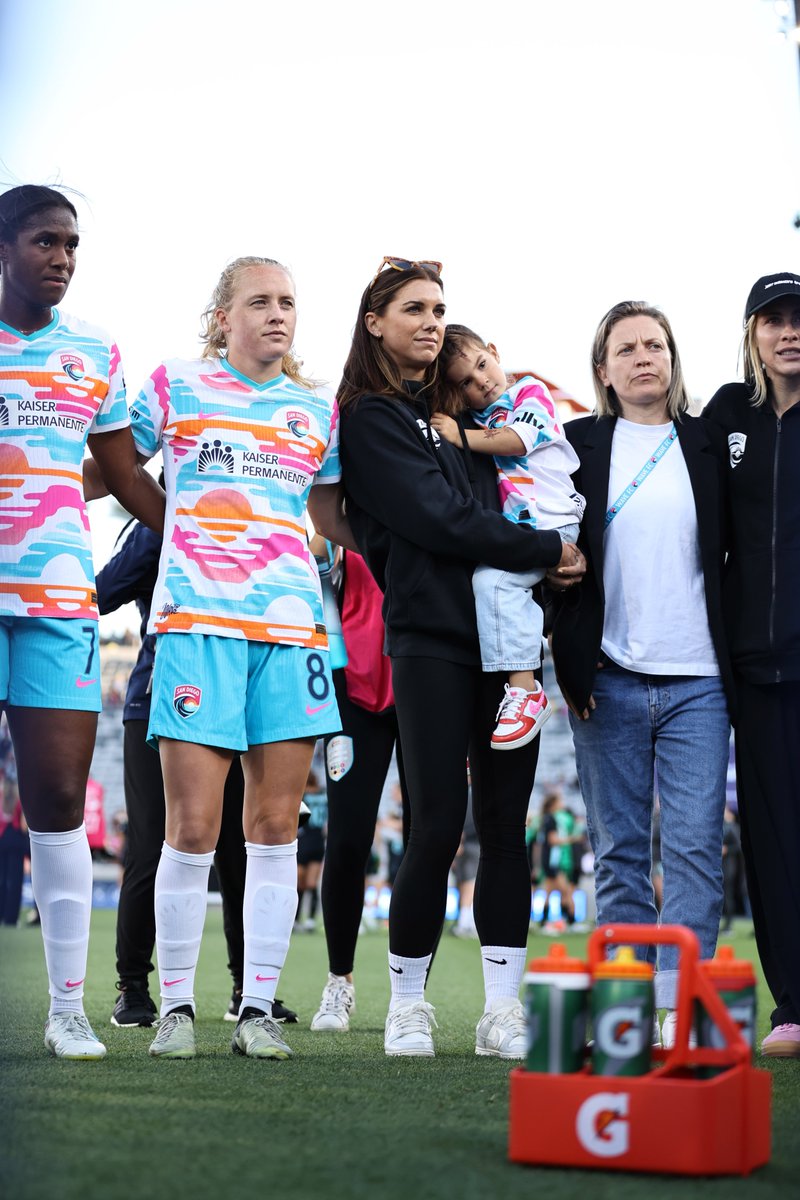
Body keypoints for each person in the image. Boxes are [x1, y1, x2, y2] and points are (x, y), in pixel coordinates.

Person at [337, 257, 585, 1057]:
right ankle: (408, 1004)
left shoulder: (476, 420)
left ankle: (501, 1011)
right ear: (375, 321)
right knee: (438, 824)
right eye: (414, 306)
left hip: (509, 649)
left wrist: (545, 547)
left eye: (440, 307)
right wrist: (548, 546)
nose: (432, 319)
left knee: (506, 830)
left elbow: (512, 494)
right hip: (431, 642)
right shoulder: (371, 419)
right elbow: (440, 521)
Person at [128, 255, 352, 1061]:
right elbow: (116, 461)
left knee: (275, 827)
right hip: (196, 625)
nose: (277, 314)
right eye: (259, 300)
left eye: (288, 301)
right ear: (222, 316)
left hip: (291, 634)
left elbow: (328, 511)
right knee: (192, 826)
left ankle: (257, 1009)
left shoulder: (316, 412)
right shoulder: (175, 384)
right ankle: (177, 1009)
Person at [0, 184, 164, 1059]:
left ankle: (69, 1011)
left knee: (59, 802)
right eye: (44, 242)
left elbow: (125, 475)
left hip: (60, 602)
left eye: (71, 245)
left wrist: (200, 530)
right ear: (4, 248)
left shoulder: (96, 352)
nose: (61, 257)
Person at [549, 299, 734, 1048]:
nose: (642, 357)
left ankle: (676, 1007)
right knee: (620, 850)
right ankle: (626, 1007)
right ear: (604, 369)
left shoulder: (713, 441)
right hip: (608, 675)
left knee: (693, 846)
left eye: (654, 344)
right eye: (625, 348)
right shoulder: (576, 444)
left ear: (673, 357)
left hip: (701, 678)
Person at [95, 517, 296, 1028]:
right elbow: (102, 590)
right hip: (159, 699)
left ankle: (247, 989)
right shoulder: (158, 521)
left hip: (233, 696)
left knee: (237, 849)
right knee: (152, 847)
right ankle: (133, 989)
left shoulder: (244, 509)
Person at [703, 272, 800, 1057]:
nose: (789, 333)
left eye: (799, 320)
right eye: (773, 320)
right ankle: (793, 1006)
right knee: (771, 843)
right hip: (752, 672)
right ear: (751, 333)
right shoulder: (726, 415)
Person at [433, 326, 585, 750]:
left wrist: (458, 436)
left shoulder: (528, 393)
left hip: (552, 523)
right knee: (494, 585)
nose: (481, 381)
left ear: (495, 353)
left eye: (482, 365)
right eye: (465, 381)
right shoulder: (475, 417)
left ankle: (526, 690)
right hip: (522, 529)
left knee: (493, 582)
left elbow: (518, 441)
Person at [309, 547, 410, 1033]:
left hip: (426, 681)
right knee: (348, 839)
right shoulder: (341, 504)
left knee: (425, 838)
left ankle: (411, 994)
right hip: (353, 686)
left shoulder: (439, 489)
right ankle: (339, 980)